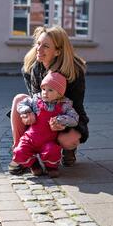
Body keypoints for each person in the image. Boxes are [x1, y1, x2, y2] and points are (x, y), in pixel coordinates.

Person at [9, 25, 89, 175]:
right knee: (19, 99)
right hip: (42, 118)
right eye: (38, 44)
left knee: (68, 139)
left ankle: (67, 151)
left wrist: (62, 122)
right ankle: (21, 153)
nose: (39, 49)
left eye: (45, 46)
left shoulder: (74, 72)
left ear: (58, 51)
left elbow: (76, 107)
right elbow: (35, 100)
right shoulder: (33, 68)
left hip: (66, 115)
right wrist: (28, 113)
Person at [11, 72, 79, 178]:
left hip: (49, 140)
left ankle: (51, 167)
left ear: (59, 93)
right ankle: (34, 165)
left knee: (52, 150)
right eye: (43, 89)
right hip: (30, 138)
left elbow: (75, 118)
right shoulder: (35, 100)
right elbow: (21, 104)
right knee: (19, 151)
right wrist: (27, 111)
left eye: (50, 90)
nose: (45, 93)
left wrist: (61, 119)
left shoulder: (64, 105)